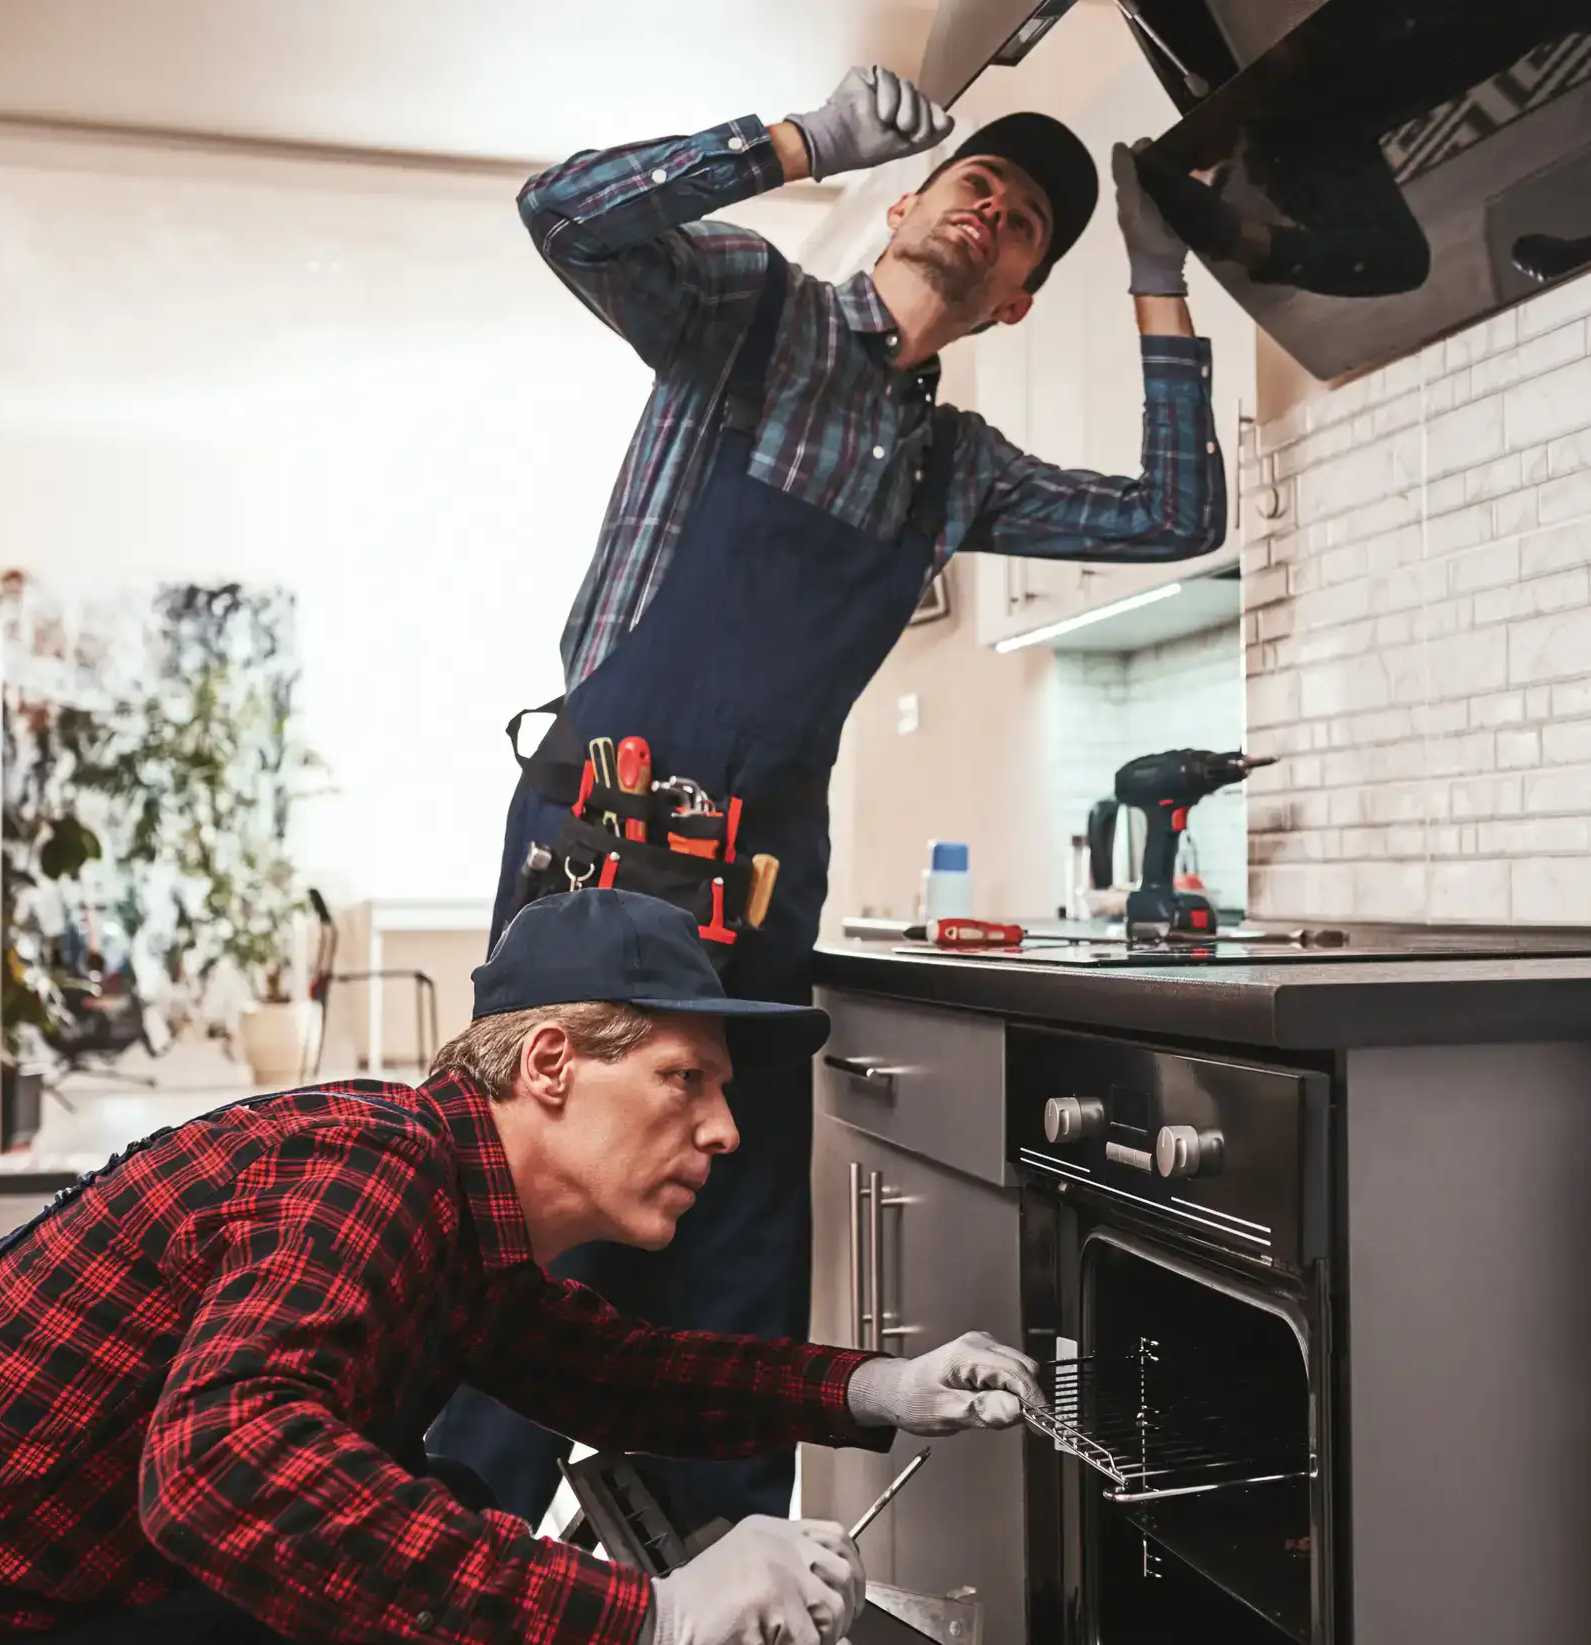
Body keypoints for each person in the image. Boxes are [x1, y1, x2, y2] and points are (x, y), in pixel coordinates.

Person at [439, 65, 1223, 1526]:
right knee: (534, 1223)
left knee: (735, 1258)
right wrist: (798, 144)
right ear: (910, 204)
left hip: (758, 898)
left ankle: (716, 1585)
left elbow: (1179, 515)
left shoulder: (956, 467)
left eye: (1029, 224)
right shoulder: (749, 314)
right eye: (978, 185)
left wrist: (1160, 279)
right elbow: (565, 211)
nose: (995, 212)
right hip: (599, 857)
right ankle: (430, 1564)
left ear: (1015, 301)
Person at [0, 889, 1041, 1645]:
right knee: (441, 1571)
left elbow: (619, 1372)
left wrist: (880, 1386)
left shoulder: (453, 1209)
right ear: (553, 1062)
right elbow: (217, 1470)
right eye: (689, 1078)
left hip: (34, 1579)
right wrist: (652, 1623)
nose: (725, 1130)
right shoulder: (375, 1171)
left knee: (452, 1515)